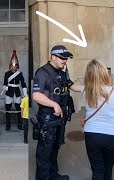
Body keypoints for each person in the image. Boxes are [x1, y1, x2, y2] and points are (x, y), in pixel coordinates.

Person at [32, 45, 83, 180]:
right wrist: (54, 104)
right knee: (44, 152)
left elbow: (72, 86)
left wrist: (89, 87)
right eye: (62, 58)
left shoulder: (62, 72)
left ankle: (53, 176)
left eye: (66, 58)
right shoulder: (42, 72)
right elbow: (36, 95)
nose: (64, 61)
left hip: (59, 118)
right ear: (53, 57)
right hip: (47, 119)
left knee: (54, 149)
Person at [82, 59, 114, 180]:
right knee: (108, 167)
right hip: (113, 135)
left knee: (97, 170)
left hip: (92, 134)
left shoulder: (86, 91)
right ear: (105, 73)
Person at [3, 50, 27, 130]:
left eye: (15, 66)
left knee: (18, 109)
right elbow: (5, 83)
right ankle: (7, 125)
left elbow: (23, 83)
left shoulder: (19, 73)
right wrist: (5, 87)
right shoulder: (7, 74)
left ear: (17, 66)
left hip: (17, 92)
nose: (14, 67)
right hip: (9, 92)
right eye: (12, 66)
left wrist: (25, 94)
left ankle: (19, 124)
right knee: (8, 110)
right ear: (10, 66)